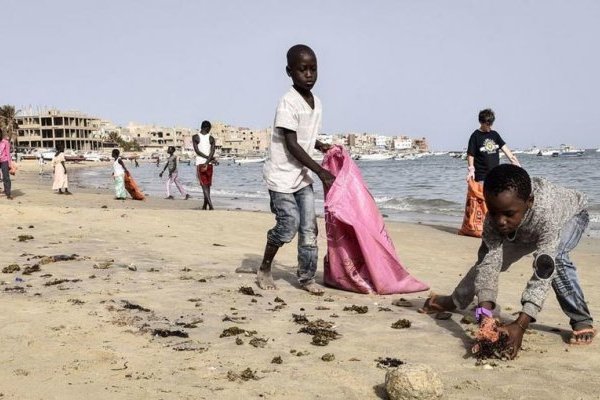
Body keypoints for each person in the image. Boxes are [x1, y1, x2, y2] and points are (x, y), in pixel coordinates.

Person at [421, 164, 594, 358]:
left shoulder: (547, 214)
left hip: (571, 216)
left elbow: (544, 273)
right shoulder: (495, 220)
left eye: (508, 214)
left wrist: (521, 324)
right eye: (493, 212)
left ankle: (581, 319)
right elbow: (489, 265)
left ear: (529, 201)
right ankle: (454, 300)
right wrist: (485, 315)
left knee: (556, 259)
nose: (500, 221)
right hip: (523, 226)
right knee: (487, 260)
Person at [257, 44, 335, 295]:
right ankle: (264, 268)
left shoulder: (317, 103)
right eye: (303, 70)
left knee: (309, 229)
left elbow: (303, 135)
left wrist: (319, 145)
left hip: (302, 177)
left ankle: (306, 277)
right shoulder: (287, 103)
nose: (309, 74)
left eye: (313, 69)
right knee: (289, 224)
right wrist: (321, 171)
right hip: (281, 177)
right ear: (289, 71)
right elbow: (291, 144)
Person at [466, 108, 520, 182]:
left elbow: (505, 149)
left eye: (491, 124)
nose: (490, 126)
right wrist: (471, 170)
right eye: (488, 124)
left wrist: (515, 163)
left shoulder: (494, 134)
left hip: (495, 175)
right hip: (481, 177)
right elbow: (470, 154)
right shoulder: (475, 136)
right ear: (481, 122)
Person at [192, 120, 216, 210]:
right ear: (208, 128)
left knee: (204, 185)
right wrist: (208, 160)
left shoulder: (195, 137)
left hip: (200, 164)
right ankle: (205, 205)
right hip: (209, 164)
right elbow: (212, 152)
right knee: (207, 185)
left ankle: (210, 205)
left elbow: (197, 151)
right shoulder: (211, 138)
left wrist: (205, 161)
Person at [0, 130, 12, 199]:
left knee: (6, 177)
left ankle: (8, 194)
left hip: (4, 161)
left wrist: (9, 164)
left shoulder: (5, 142)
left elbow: (8, 153)